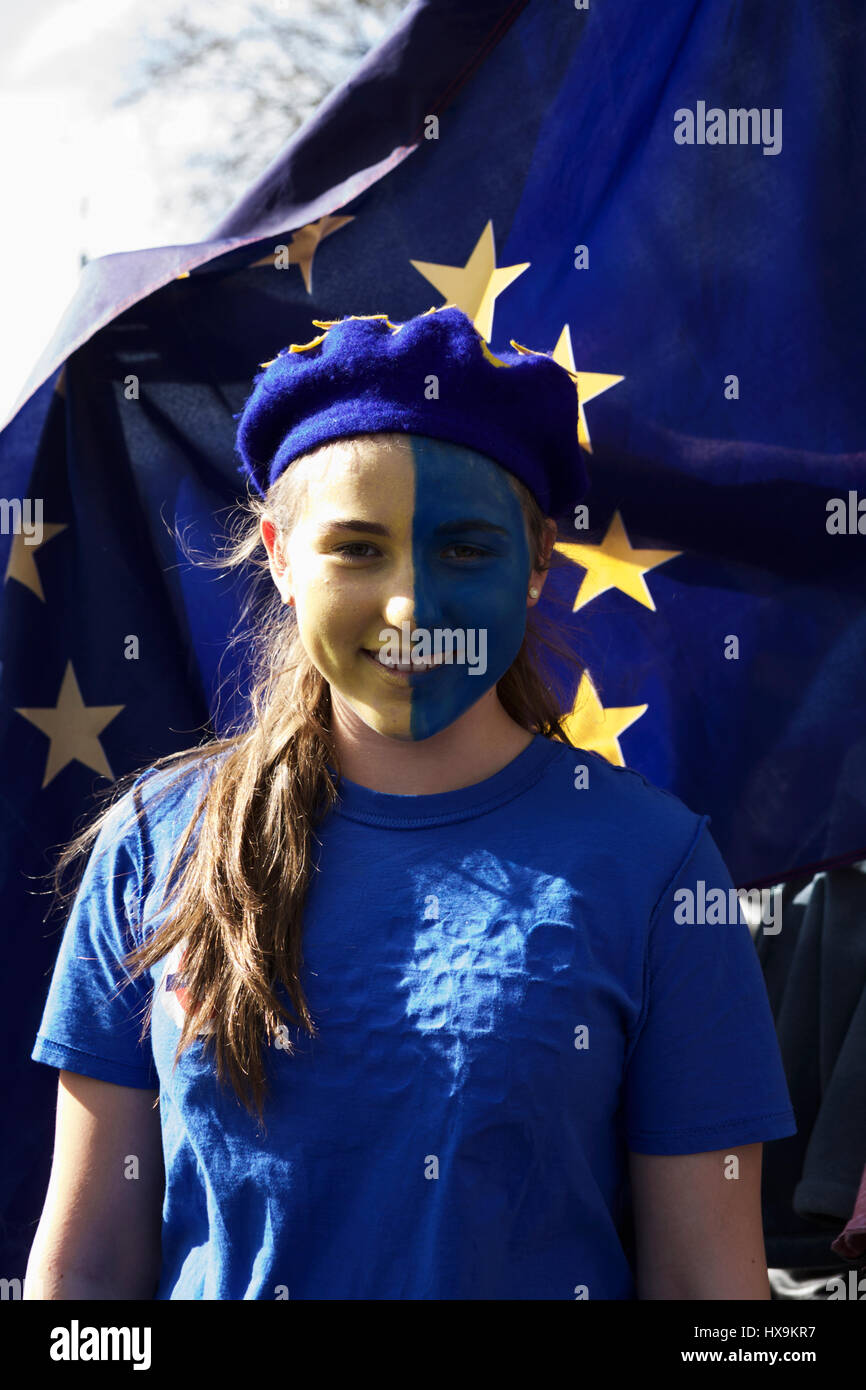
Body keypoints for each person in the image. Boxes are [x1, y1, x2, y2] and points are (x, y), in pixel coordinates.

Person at [24, 305, 796, 1301]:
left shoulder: (655, 870)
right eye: (355, 547)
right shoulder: (154, 844)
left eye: (465, 549)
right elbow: (84, 1270)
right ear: (278, 556)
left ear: (536, 566)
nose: (409, 605)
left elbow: (707, 1293)